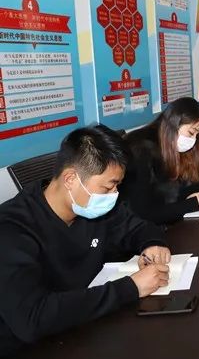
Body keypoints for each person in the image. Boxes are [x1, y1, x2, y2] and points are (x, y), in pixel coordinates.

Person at [0, 126, 171, 355]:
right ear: (71, 178)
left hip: (82, 328)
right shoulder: (11, 229)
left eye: (117, 186)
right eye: (108, 186)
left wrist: (152, 244)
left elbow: (138, 227)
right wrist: (130, 288)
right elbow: (32, 318)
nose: (114, 195)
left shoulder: (91, 206)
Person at [119, 97, 199, 225]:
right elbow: (144, 213)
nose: (193, 140)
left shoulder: (175, 144)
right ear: (174, 123)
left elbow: (192, 185)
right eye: (191, 132)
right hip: (142, 229)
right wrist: (195, 203)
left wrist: (192, 197)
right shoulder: (139, 149)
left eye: (197, 135)